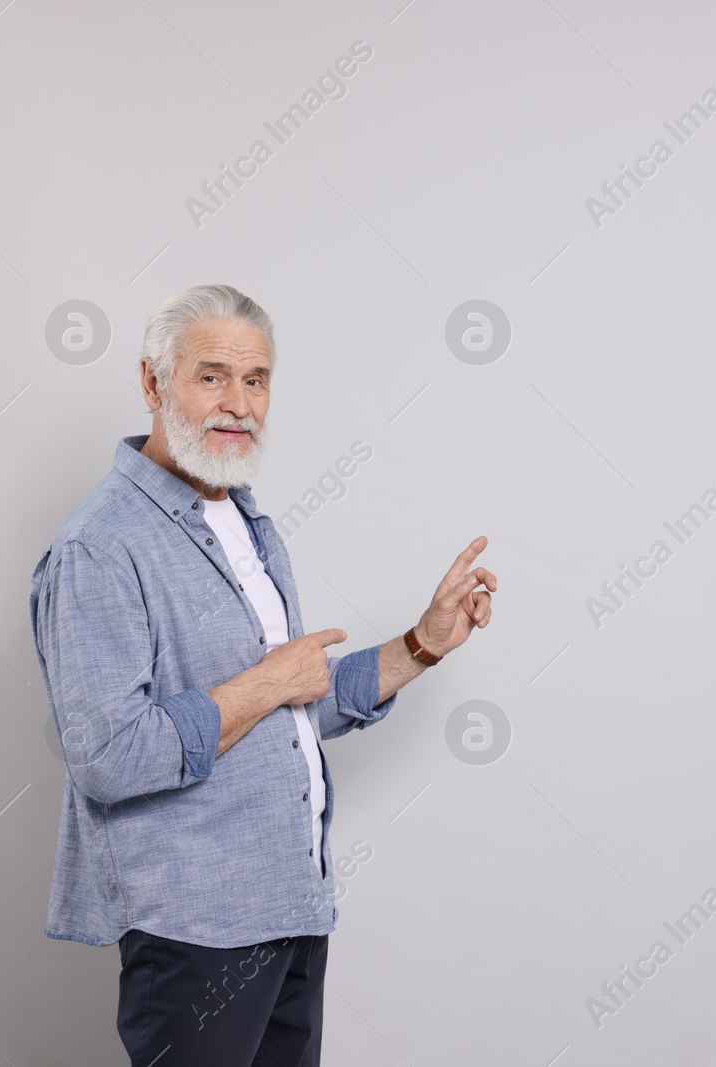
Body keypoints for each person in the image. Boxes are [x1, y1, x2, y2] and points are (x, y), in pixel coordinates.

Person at [28, 284, 497, 1067]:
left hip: (292, 907)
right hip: (195, 931)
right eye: (211, 376)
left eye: (256, 380)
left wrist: (421, 643)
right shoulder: (99, 548)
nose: (238, 403)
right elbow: (106, 756)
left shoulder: (244, 519)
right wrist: (268, 684)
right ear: (154, 383)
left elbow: (292, 702)